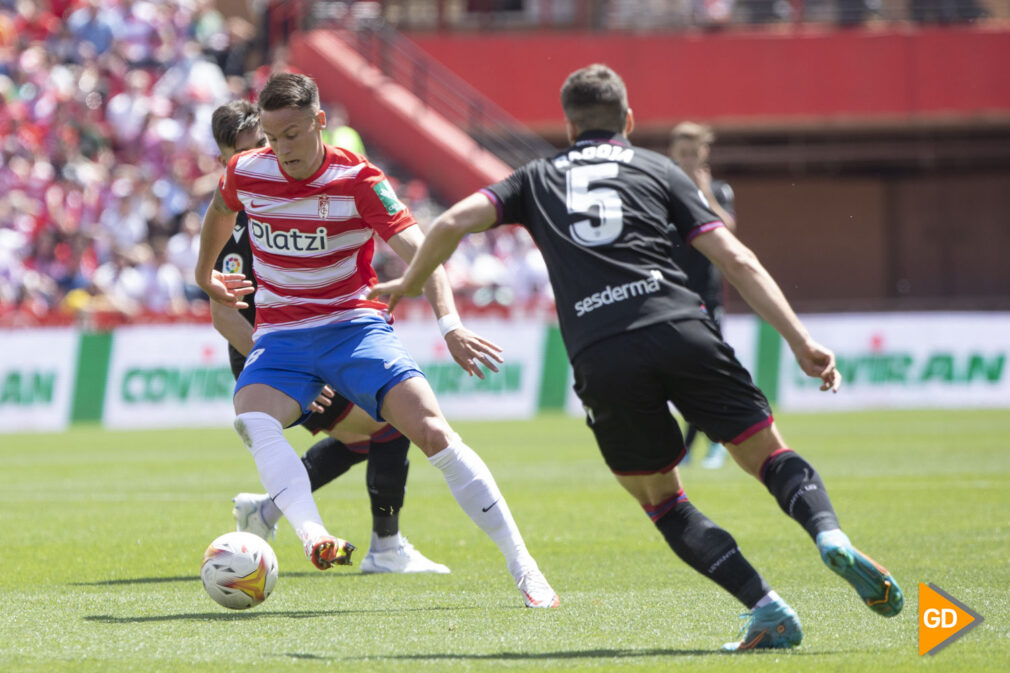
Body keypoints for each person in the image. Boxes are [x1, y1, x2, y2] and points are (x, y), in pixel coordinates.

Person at [369, 64, 903, 649]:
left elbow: (448, 223)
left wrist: (410, 282)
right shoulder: (658, 168)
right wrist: (801, 341)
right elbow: (738, 259)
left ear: (570, 125)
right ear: (628, 120)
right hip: (681, 327)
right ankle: (826, 533)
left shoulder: (535, 178)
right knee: (769, 456)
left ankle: (767, 606)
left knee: (663, 500)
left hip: (603, 352)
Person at [195, 73, 558, 608]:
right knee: (251, 414)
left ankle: (524, 566)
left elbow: (423, 249)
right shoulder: (246, 171)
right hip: (283, 335)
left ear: (320, 122)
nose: (282, 149)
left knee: (431, 431)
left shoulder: (358, 180)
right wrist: (205, 275)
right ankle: (314, 536)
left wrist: (450, 323)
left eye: (292, 134)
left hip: (351, 327)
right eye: (272, 138)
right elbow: (219, 211)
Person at [209, 99, 448, 574]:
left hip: (309, 344)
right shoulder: (239, 219)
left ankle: (268, 511)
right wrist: (286, 366)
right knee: (389, 424)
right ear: (226, 161)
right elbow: (224, 315)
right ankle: (386, 547)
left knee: (366, 436)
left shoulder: (295, 189)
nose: (270, 153)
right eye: (256, 147)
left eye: (270, 142)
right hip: (271, 354)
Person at [669, 121, 736, 469]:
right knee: (679, 377)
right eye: (682, 154)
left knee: (703, 372)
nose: (688, 161)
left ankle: (706, 445)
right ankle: (705, 442)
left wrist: (705, 193)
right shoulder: (664, 192)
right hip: (670, 297)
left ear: (704, 154)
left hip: (706, 298)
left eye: (693, 154)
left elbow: (728, 231)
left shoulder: (719, 191)